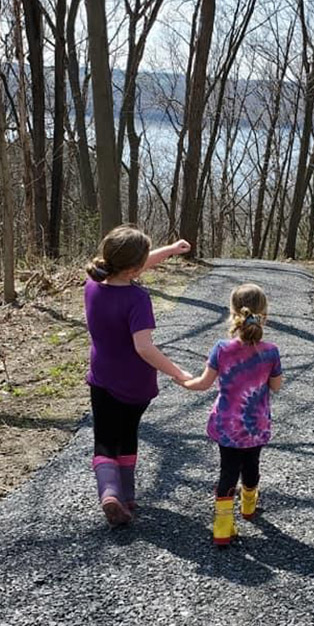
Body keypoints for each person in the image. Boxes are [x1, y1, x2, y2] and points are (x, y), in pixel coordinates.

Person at [84, 224, 192, 526]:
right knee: (128, 434)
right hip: (135, 384)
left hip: (102, 377)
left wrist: (170, 251)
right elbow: (144, 348)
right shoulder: (137, 299)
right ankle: (128, 496)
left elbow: (129, 266)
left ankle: (110, 493)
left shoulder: (92, 285)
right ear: (134, 269)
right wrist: (178, 372)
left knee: (105, 439)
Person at [181, 283, 282, 545]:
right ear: (264, 314)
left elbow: (203, 383)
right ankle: (248, 507)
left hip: (227, 425)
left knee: (228, 471)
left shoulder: (221, 348)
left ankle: (222, 527)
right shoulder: (271, 351)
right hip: (256, 425)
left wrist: (182, 381)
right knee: (252, 466)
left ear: (233, 312)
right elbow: (276, 386)